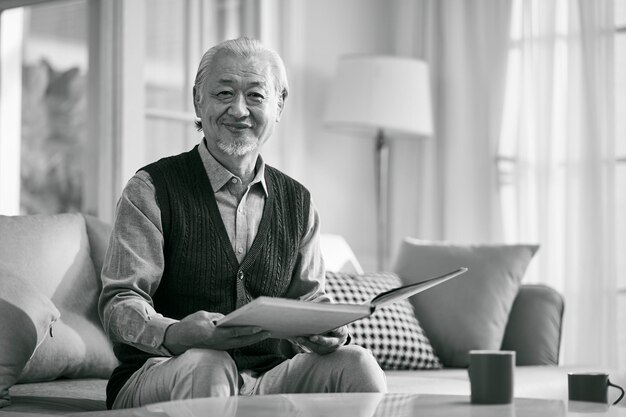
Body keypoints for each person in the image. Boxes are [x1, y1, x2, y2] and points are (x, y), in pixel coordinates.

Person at [98, 37, 387, 410]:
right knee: (209, 362)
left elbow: (308, 299)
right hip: (162, 370)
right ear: (197, 101)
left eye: (255, 96)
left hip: (269, 377)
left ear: (279, 104)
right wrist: (175, 332)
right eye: (223, 93)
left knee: (358, 363)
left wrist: (325, 329)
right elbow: (120, 302)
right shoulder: (151, 188)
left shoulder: (299, 201)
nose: (239, 110)